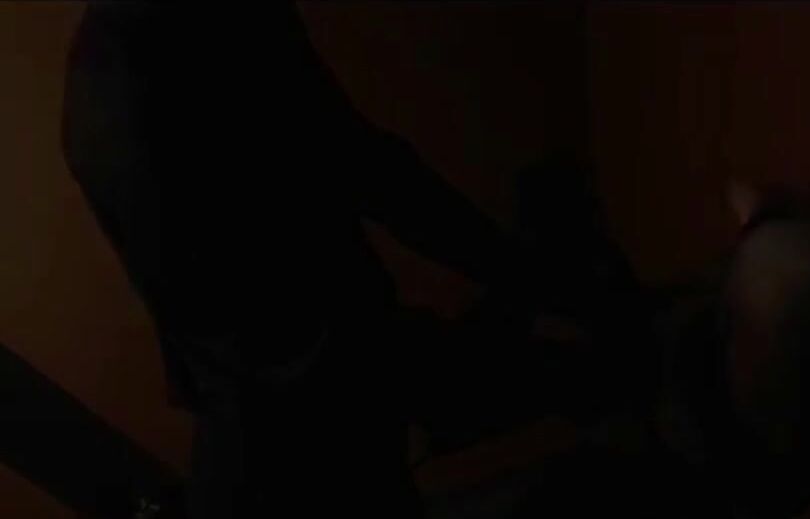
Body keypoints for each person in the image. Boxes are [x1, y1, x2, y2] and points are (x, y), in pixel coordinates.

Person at [60, 3, 613, 517]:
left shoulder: (95, 76)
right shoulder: (209, 36)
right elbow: (372, 176)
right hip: (312, 427)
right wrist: (536, 298)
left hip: (255, 432)